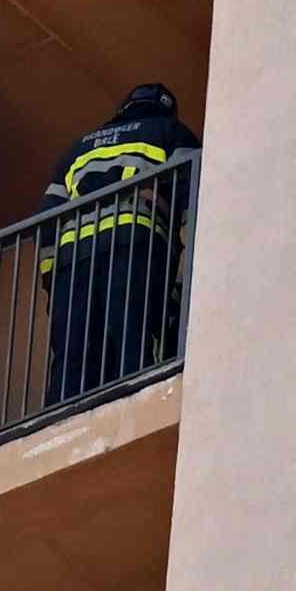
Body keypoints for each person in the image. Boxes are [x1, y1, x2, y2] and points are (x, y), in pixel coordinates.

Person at [36, 82, 194, 409]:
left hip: (73, 257)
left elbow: (47, 221)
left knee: (73, 347)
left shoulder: (77, 149)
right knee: (133, 333)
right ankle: (138, 402)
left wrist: (51, 277)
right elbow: (193, 194)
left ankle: (63, 417)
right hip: (134, 244)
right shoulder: (171, 132)